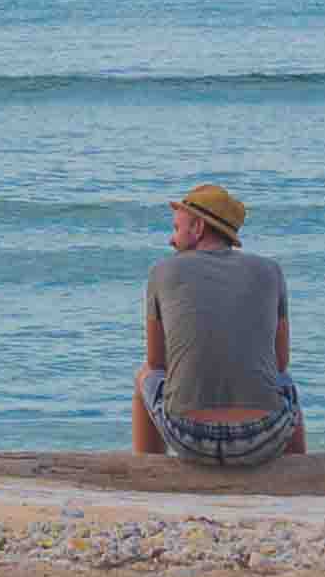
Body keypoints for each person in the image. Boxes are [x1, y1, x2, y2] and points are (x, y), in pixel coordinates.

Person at [129, 181, 302, 466]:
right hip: (263, 436)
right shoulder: (271, 271)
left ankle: (148, 468)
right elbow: (281, 362)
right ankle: (299, 472)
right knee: (284, 381)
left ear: (197, 228)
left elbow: (157, 361)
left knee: (144, 374)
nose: (171, 240)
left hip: (189, 436)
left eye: (176, 228)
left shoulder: (162, 271)